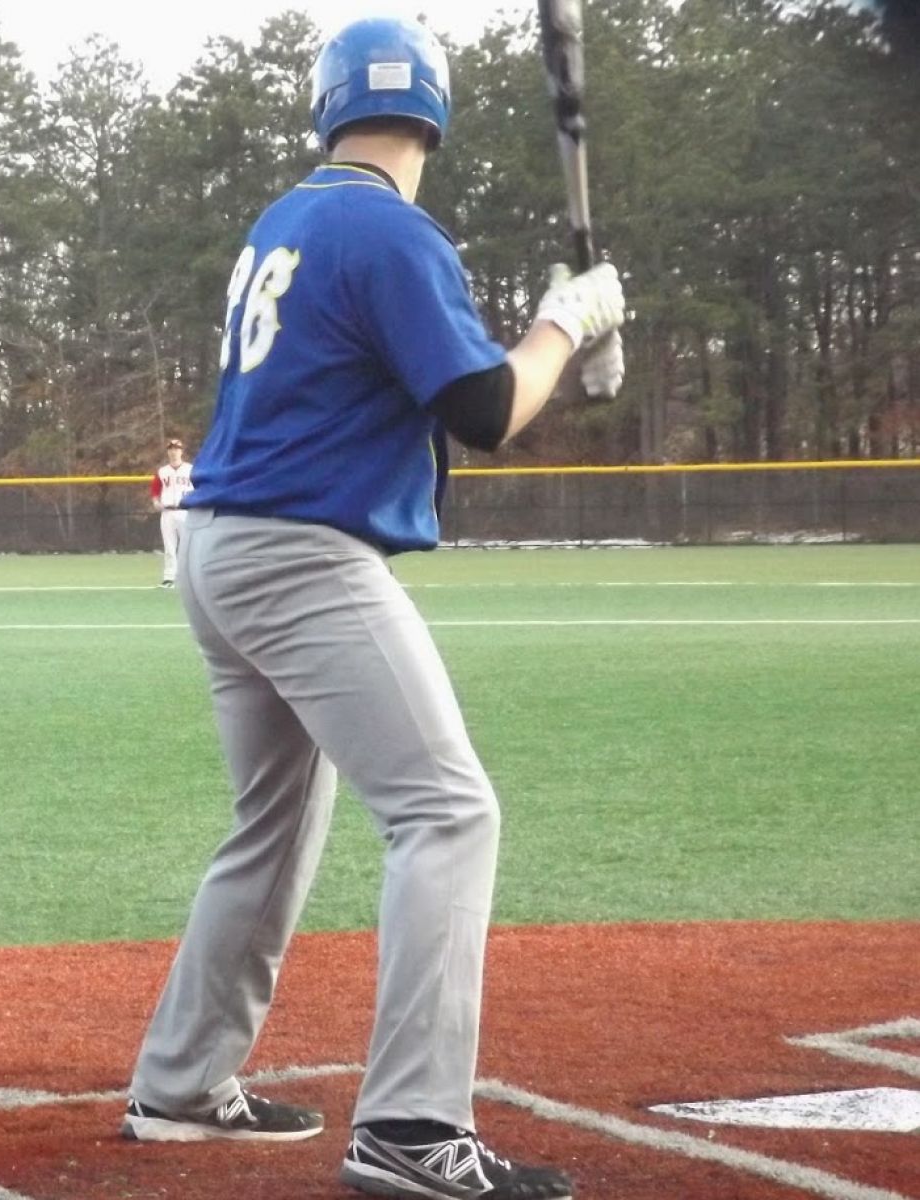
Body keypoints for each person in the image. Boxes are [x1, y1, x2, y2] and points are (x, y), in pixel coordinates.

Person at [116, 17, 624, 1200]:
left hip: (221, 549)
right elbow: (486, 408)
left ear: (327, 105)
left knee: (275, 825)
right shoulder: (385, 229)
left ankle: (184, 1083)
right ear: (433, 112)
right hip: (301, 554)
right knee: (449, 814)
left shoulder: (285, 219)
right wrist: (570, 321)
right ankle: (409, 1128)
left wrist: (567, 326)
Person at [150, 438, 194, 587]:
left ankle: (190, 578)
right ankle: (169, 578)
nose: (174, 451)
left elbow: (200, 487)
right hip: (167, 512)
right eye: (171, 449)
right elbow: (155, 490)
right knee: (169, 547)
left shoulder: (191, 469)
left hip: (186, 511)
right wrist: (156, 501)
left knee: (188, 546)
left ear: (182, 451)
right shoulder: (162, 471)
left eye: (176, 449)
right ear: (168, 452)